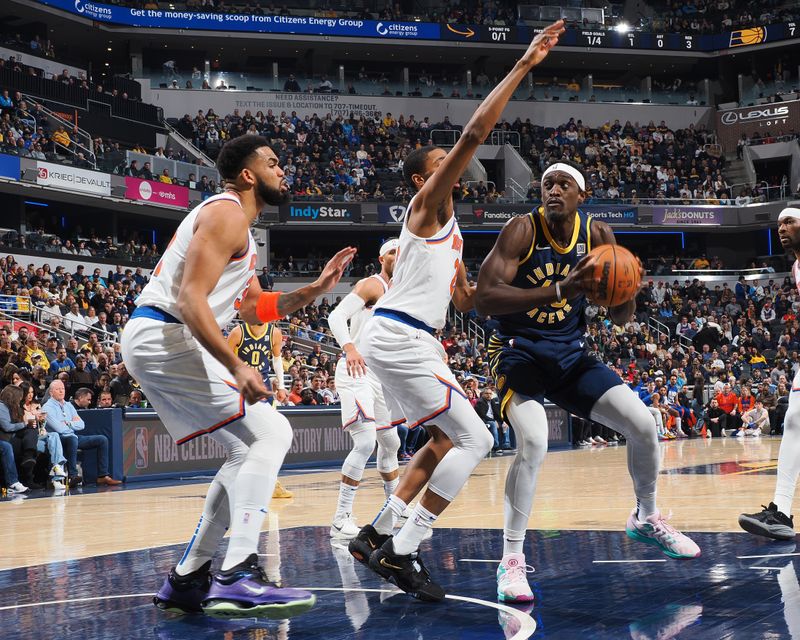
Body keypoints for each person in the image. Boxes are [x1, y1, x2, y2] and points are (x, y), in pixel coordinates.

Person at [348, 20, 568, 602]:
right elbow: (474, 133)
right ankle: (404, 549)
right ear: (425, 178)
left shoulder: (452, 234)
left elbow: (468, 300)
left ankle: (376, 534)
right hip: (400, 336)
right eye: (443, 161)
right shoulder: (425, 206)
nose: (456, 163)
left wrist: (529, 283)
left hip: (415, 337)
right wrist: (522, 65)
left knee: (446, 441)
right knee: (475, 440)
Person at [120, 134, 355, 617]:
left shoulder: (241, 231)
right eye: (273, 164)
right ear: (248, 176)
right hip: (166, 334)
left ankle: (188, 578)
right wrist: (237, 364)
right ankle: (238, 571)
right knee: (273, 431)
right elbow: (190, 301)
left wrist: (314, 289)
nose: (283, 171)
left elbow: (253, 309)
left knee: (246, 448)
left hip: (165, 337)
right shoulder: (226, 213)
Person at [475, 158, 700, 604]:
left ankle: (646, 517)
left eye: (563, 184)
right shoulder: (522, 230)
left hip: (570, 354)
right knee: (535, 442)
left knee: (642, 422)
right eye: (546, 184)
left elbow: (619, 319)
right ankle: (512, 560)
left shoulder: (598, 236)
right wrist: (562, 290)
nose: (553, 190)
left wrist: (625, 292)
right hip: (518, 351)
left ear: (581, 195)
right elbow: (484, 299)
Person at [327, 239, 403, 540]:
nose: (399, 256)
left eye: (402, 251)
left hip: (379, 374)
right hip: (355, 369)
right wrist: (349, 348)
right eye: (394, 252)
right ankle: (340, 518)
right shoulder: (372, 285)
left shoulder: (401, 292)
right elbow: (336, 316)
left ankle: (395, 509)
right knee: (365, 442)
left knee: (391, 441)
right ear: (382, 258)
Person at [740, 206, 800, 540]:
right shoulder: (795, 267)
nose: (782, 228)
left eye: (789, 222)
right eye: (779, 224)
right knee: (793, 422)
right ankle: (780, 512)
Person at [226, 320, 293, 499]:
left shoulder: (274, 333)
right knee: (243, 440)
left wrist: (281, 386)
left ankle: (272, 482)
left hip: (263, 388)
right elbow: (223, 360)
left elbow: (277, 360)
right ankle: (237, 482)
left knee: (273, 436)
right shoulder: (237, 332)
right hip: (241, 388)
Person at [42, 380, 120, 488]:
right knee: (72, 438)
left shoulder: (68, 405)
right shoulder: (47, 407)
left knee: (102, 439)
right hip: (57, 439)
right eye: (58, 389)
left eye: (63, 389)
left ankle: (102, 476)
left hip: (72, 435)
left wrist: (68, 423)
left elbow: (81, 424)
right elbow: (58, 428)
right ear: (51, 392)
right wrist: (72, 424)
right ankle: (73, 475)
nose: (61, 391)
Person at [21, 381, 67, 490]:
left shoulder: (37, 405)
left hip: (41, 434)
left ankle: (56, 468)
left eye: (32, 392)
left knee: (54, 436)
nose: (30, 395)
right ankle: (55, 476)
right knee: (45, 445)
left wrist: (41, 420)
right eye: (28, 392)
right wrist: (33, 419)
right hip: (29, 437)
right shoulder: (19, 407)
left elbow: (42, 425)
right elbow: (23, 424)